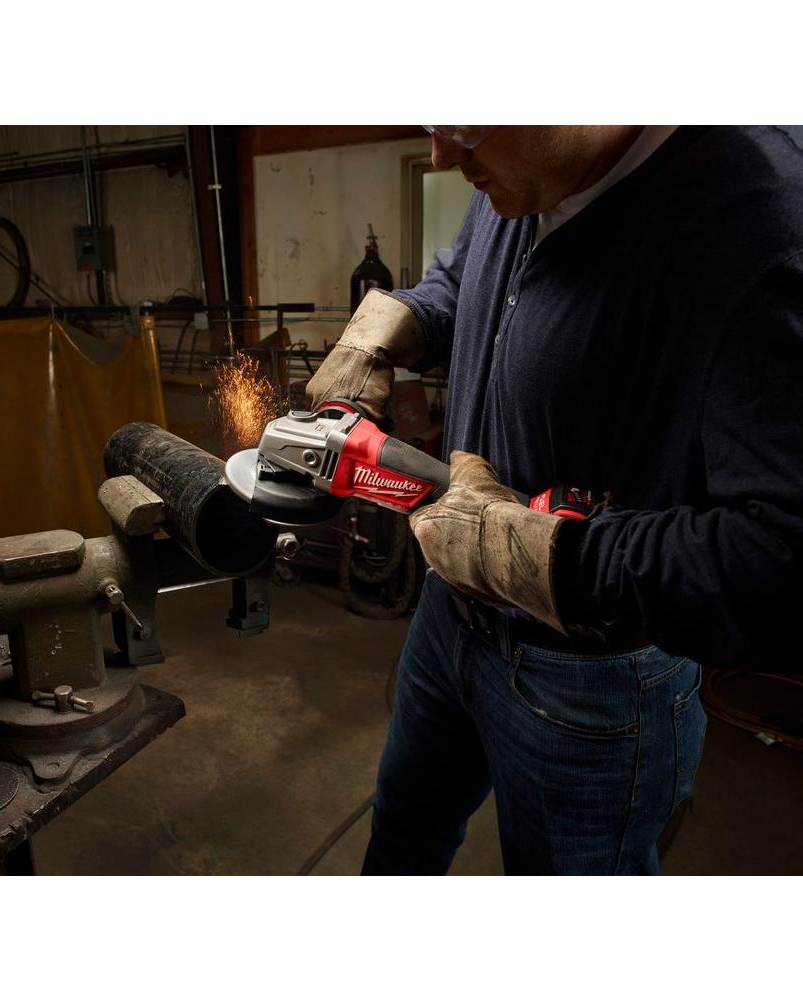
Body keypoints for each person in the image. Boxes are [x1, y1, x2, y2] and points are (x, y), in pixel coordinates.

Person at [306, 126, 803, 875]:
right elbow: (463, 281)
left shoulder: (761, 230)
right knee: (403, 835)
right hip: (448, 616)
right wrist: (388, 328)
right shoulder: (521, 172)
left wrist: (543, 557)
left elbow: (781, 557)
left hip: (586, 679)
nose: (442, 156)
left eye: (464, 127)